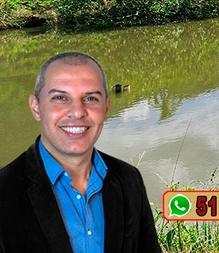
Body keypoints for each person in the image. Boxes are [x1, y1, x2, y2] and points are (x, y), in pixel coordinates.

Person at [0, 51, 162, 253]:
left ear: (106, 108)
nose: (77, 112)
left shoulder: (129, 179)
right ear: (36, 107)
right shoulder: (4, 191)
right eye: (60, 97)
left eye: (91, 98)